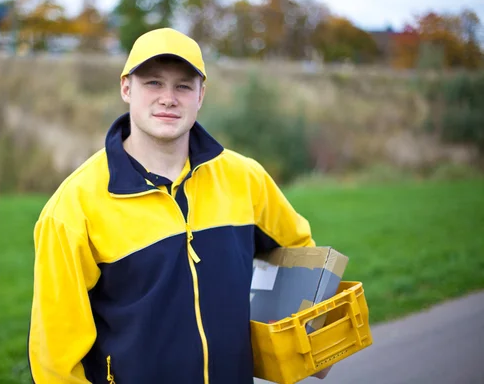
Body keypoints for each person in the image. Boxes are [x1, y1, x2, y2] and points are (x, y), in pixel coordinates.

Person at [28, 28, 329, 384]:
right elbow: (54, 360)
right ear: (126, 88)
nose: (168, 98)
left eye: (183, 86)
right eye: (153, 83)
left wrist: (303, 339)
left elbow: (300, 254)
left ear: (201, 94)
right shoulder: (72, 208)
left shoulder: (246, 179)